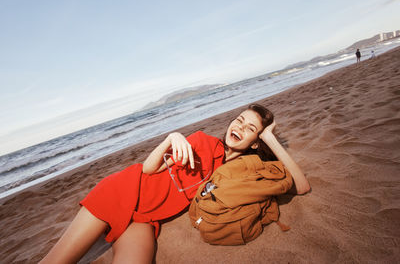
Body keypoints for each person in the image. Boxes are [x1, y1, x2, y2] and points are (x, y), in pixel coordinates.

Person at [40, 103, 310, 264]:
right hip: (120, 193)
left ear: (256, 141)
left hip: (145, 219)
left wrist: (271, 139)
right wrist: (172, 137)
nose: (239, 126)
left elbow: (301, 187)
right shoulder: (203, 141)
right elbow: (148, 169)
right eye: (239, 119)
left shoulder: (238, 169)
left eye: (250, 128)